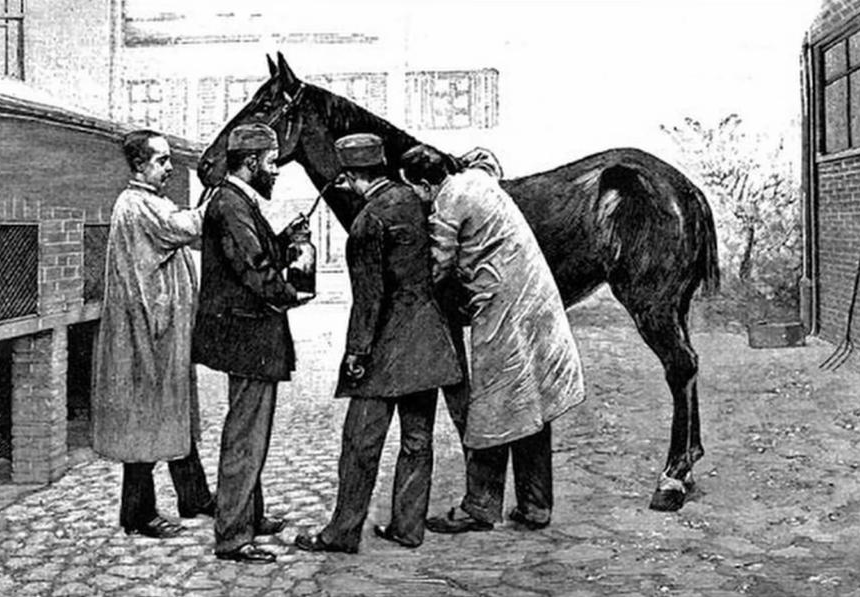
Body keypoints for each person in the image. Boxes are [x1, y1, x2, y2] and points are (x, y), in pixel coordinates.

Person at [400, 144, 586, 533]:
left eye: (415, 190)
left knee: (493, 404)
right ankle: (535, 504)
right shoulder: (476, 179)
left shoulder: (447, 204)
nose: (417, 199)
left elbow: (438, 268)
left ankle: (481, 507)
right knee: (532, 400)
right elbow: (487, 160)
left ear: (423, 183)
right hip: (537, 299)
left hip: (502, 306)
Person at [294, 133, 462, 555]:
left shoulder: (369, 221)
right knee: (417, 440)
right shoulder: (413, 200)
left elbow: (369, 298)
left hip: (387, 347)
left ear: (351, 176)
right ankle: (408, 529)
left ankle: (342, 533)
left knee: (360, 443)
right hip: (427, 340)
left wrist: (356, 352)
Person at [192, 123, 313, 564]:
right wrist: (291, 293)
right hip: (247, 335)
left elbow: (257, 254)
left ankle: (250, 516)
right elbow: (254, 268)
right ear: (249, 162)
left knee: (249, 430)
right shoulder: (230, 204)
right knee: (245, 436)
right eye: (270, 160)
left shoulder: (237, 200)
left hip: (246, 333)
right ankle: (233, 537)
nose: (276, 169)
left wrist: (285, 241)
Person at [91, 129, 215, 540]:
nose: (168, 167)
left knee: (175, 412)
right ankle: (138, 515)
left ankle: (194, 497)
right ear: (140, 165)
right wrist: (218, 193)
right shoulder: (137, 205)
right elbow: (186, 226)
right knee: (144, 422)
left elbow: (191, 233)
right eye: (162, 161)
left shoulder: (152, 202)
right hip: (145, 335)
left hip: (164, 333)